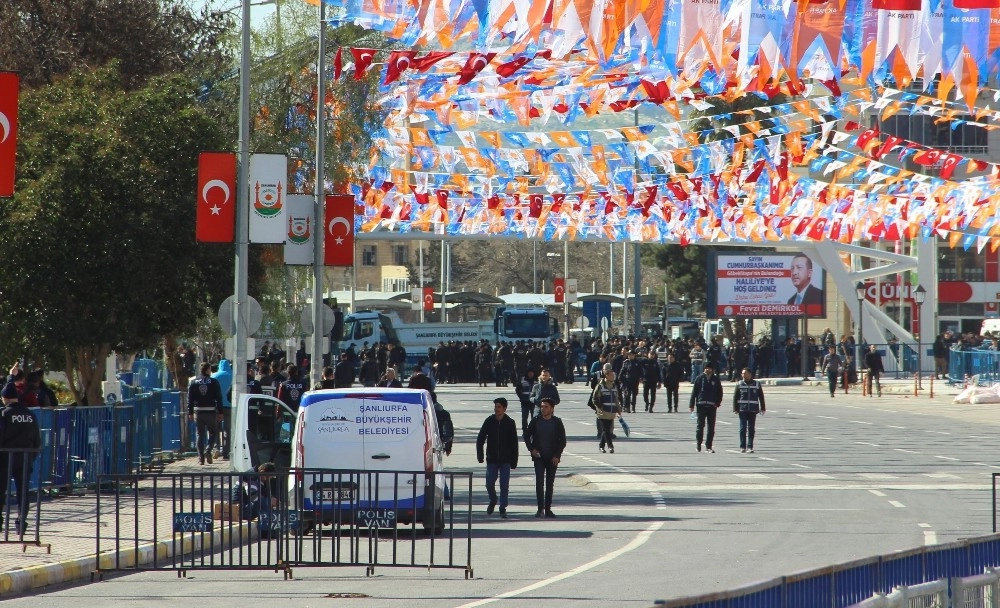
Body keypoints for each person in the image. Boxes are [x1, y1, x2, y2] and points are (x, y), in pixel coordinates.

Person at [0, 382, 41, 536]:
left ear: (4, 398)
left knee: (0, 490)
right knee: (23, 492)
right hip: (25, 457)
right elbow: (37, 440)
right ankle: (21, 523)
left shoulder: (4, 414)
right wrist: (31, 456)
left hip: (5, 459)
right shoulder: (30, 415)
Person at [476, 397, 519, 518]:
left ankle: (502, 507)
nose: (497, 409)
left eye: (499, 407)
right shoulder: (489, 421)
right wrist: (480, 454)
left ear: (505, 408)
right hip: (492, 459)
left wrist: (514, 460)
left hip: (506, 460)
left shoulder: (510, 422)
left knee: (504, 485)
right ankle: (493, 499)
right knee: (489, 483)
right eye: (496, 407)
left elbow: (514, 443)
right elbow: (480, 439)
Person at [523, 397, 566, 518]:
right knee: (539, 482)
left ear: (552, 409)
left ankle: (548, 509)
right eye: (542, 406)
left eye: (546, 407)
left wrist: (557, 455)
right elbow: (526, 436)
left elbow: (562, 441)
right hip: (539, 457)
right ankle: (540, 509)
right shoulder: (536, 420)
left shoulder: (557, 422)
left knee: (549, 484)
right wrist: (532, 449)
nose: (543, 409)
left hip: (552, 458)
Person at [188, 362, 223, 465]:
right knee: (213, 433)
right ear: (208, 370)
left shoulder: (194, 382)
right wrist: (220, 412)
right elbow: (219, 397)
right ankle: (208, 450)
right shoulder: (213, 382)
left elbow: (190, 399)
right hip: (211, 411)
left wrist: (190, 412)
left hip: (198, 411)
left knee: (199, 434)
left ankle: (201, 458)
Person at [689, 362, 723, 453]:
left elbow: (720, 392)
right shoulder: (699, 378)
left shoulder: (715, 380)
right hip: (701, 405)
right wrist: (691, 405)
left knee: (711, 427)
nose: (707, 369)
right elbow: (694, 392)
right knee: (700, 426)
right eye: (706, 368)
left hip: (712, 406)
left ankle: (709, 446)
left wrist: (717, 403)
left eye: (709, 368)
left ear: (712, 369)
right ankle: (698, 445)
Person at [589, 365, 622, 454]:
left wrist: (619, 409)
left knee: (605, 430)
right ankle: (610, 446)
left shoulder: (614, 386)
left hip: (611, 412)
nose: (613, 377)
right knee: (607, 430)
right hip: (603, 412)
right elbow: (595, 398)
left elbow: (616, 399)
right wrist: (601, 407)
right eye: (611, 375)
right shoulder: (600, 386)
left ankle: (601, 446)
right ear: (606, 375)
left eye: (613, 375)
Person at [732, 368, 766, 453]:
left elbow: (761, 397)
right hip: (742, 409)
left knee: (751, 429)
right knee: (742, 428)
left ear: (750, 374)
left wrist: (763, 408)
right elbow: (735, 397)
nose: (744, 375)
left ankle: (750, 446)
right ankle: (742, 446)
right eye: (742, 373)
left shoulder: (757, 384)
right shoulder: (739, 384)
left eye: (745, 373)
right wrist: (735, 408)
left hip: (753, 410)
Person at [211, 359, 234, 460]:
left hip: (216, 406)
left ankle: (216, 448)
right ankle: (226, 452)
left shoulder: (214, 376)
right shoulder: (233, 375)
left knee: (215, 428)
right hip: (229, 406)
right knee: (228, 430)